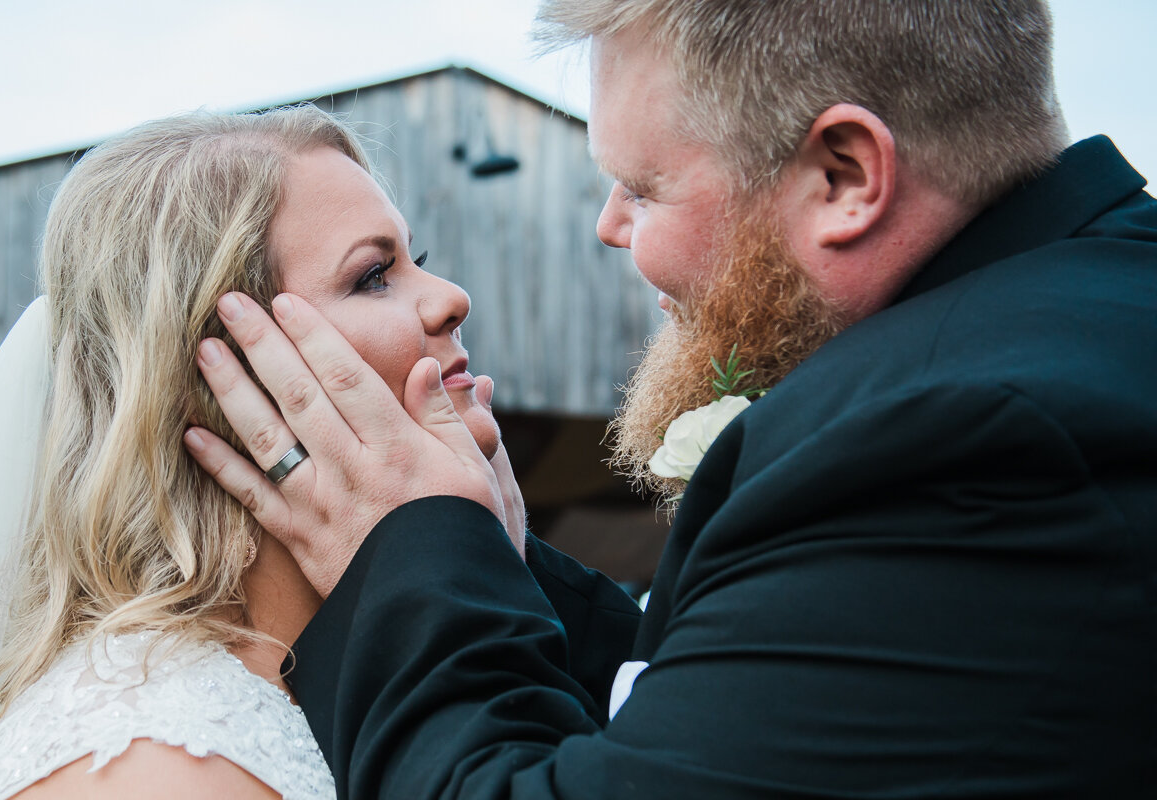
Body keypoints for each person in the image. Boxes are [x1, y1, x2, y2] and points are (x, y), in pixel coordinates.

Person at [188, 0, 1157, 797]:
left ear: (844, 175)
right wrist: (479, 554)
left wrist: (407, 563)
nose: (613, 227)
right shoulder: (1084, 327)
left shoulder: (967, 435)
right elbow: (730, 711)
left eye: (642, 187)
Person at [0, 104, 522, 799]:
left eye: (418, 260)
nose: (451, 298)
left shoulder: (318, 678)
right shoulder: (155, 763)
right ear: (217, 377)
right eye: (374, 275)